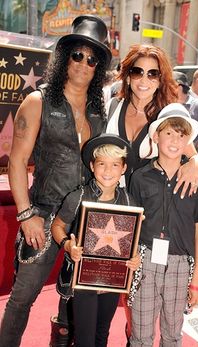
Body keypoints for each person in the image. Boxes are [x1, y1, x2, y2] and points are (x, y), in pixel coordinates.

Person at [0, 15, 112, 347]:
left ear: (98, 68)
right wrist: (26, 214)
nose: (83, 63)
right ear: (65, 57)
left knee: (74, 300)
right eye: (77, 54)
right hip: (44, 216)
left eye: (92, 59)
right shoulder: (38, 101)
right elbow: (17, 161)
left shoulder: (98, 110)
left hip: (88, 221)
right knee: (22, 298)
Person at [129, 103, 198, 347]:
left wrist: (197, 279)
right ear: (156, 135)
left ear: (188, 139)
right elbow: (133, 225)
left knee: (173, 335)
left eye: (182, 134)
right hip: (145, 261)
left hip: (181, 264)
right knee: (140, 336)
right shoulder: (140, 177)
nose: (175, 140)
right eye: (169, 132)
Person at [51, 134, 141, 347]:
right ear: (92, 166)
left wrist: (135, 259)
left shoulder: (129, 201)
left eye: (114, 165)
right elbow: (57, 226)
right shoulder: (78, 197)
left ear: (123, 168)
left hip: (112, 281)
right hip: (83, 281)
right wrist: (67, 244)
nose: (108, 171)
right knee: (85, 338)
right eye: (102, 164)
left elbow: (133, 241)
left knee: (102, 334)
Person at [106, 44, 198, 194]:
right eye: (138, 72)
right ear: (128, 76)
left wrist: (195, 164)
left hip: (150, 204)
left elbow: (193, 157)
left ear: (160, 80)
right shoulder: (112, 107)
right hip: (111, 200)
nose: (144, 81)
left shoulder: (167, 115)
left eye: (152, 74)